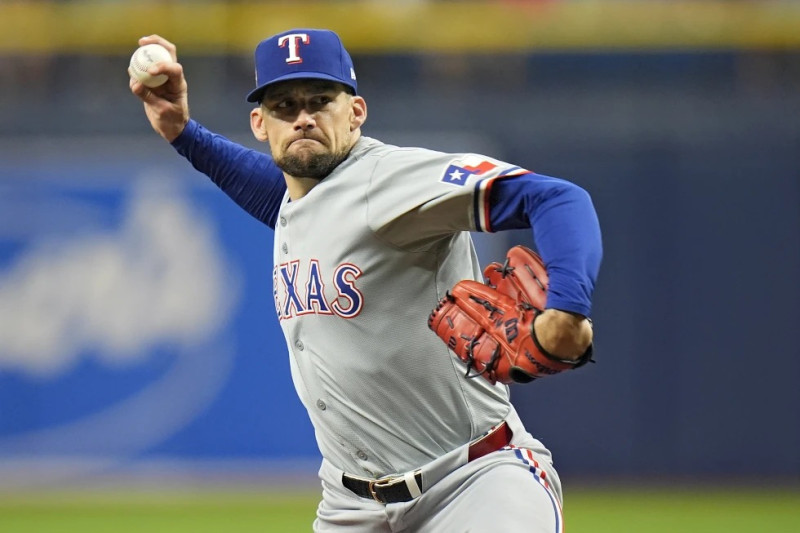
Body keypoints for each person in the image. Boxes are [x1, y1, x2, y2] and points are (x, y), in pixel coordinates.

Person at [129, 28, 602, 532]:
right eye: (284, 106)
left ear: (355, 112)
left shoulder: (390, 180)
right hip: (350, 505)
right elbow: (271, 189)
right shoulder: (297, 198)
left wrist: (566, 308)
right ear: (260, 123)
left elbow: (557, 199)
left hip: (474, 483)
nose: (303, 117)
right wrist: (182, 130)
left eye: (320, 101)